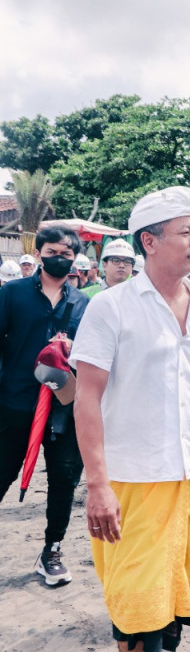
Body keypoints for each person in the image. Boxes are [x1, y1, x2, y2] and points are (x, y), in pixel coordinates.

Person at [71, 186, 190, 652]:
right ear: (150, 242)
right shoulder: (112, 306)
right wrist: (98, 485)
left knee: (183, 602)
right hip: (135, 480)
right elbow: (87, 397)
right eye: (185, 232)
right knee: (139, 610)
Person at [0, 225, 89, 586]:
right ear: (38, 254)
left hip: (65, 407)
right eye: (52, 252)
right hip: (15, 402)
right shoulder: (12, 294)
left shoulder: (83, 303)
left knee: (64, 480)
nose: (59, 259)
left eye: (67, 254)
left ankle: (51, 550)